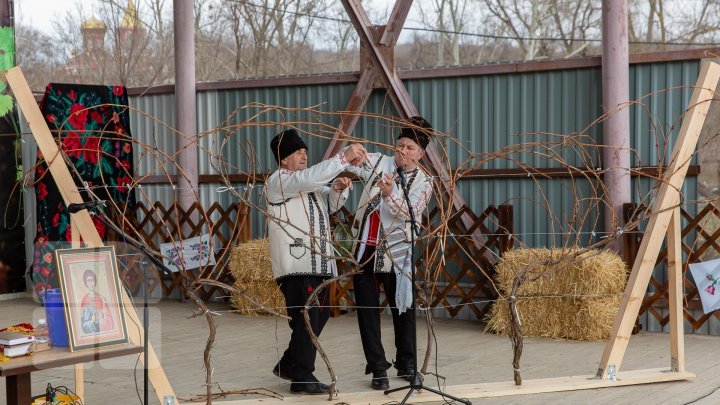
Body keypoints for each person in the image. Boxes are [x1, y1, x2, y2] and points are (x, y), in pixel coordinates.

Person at [265, 128, 367, 395]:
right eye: (297, 152)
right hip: (297, 264)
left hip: (319, 263)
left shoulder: (306, 185)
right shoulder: (279, 181)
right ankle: (301, 376)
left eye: (305, 152)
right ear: (283, 159)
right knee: (308, 316)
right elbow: (310, 178)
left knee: (317, 315)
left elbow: (329, 204)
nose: (303, 155)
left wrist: (337, 189)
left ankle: (289, 363)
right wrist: (342, 159)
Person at [346, 116, 434, 390]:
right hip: (365, 249)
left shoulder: (425, 181)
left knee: (403, 306)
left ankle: (407, 363)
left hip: (398, 252)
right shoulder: (380, 162)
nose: (403, 152)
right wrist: (355, 154)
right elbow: (353, 161)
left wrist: (389, 195)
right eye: (400, 145)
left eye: (410, 148)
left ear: (421, 153)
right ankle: (377, 367)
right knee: (367, 310)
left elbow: (410, 213)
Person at [80, 269, 115, 334]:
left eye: (92, 280)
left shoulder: (101, 298)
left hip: (103, 328)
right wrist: (92, 321)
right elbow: (84, 324)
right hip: (92, 331)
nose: (91, 283)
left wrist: (103, 317)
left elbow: (109, 317)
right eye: (88, 281)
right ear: (86, 283)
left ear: (95, 282)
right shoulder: (84, 299)